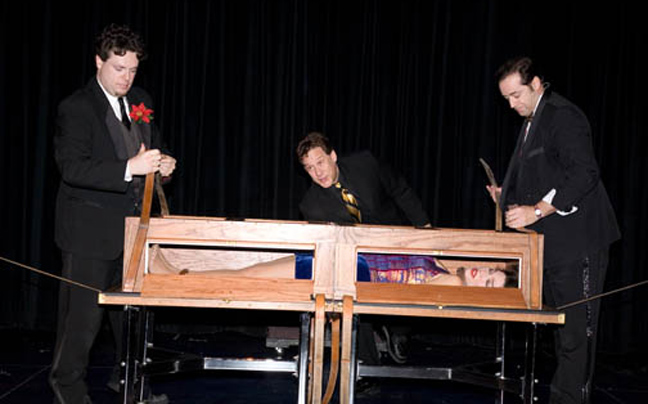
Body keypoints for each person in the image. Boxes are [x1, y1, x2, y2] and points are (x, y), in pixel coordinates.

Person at [50, 24, 176, 404]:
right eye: (119, 68)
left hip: (133, 233)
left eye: (133, 70)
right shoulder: (76, 108)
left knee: (132, 322)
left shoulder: (141, 100)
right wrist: (129, 168)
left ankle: (129, 384)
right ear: (98, 62)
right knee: (81, 324)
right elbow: (72, 168)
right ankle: (68, 392)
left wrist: (163, 166)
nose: (127, 78)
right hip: (88, 234)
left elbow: (151, 152)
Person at [489, 56, 620, 404]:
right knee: (563, 334)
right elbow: (542, 177)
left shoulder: (563, 116)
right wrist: (507, 196)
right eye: (506, 99)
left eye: (516, 95)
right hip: (554, 246)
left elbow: (583, 174)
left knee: (576, 336)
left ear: (535, 84)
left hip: (580, 243)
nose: (511, 105)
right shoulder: (533, 121)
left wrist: (535, 211)